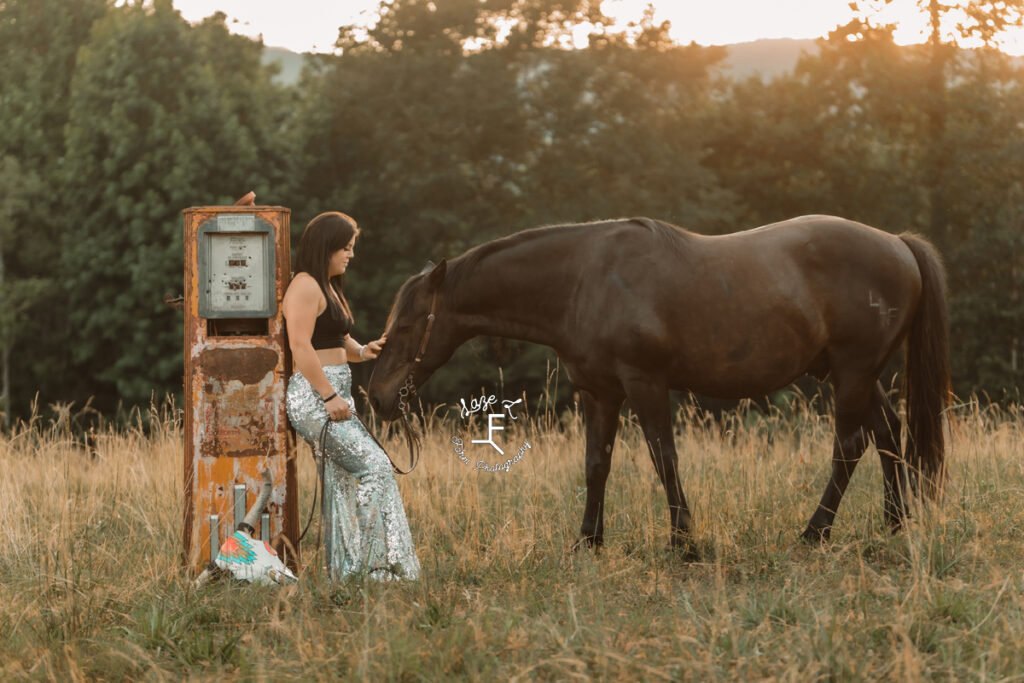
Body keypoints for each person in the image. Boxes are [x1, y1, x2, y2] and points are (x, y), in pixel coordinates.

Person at [283, 211, 420, 581]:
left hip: (334, 392)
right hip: (315, 397)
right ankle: (376, 567)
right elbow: (300, 345)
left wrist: (363, 351)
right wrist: (328, 396)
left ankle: (344, 573)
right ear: (325, 247)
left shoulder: (327, 286)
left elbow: (336, 337)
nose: (351, 255)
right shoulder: (305, 286)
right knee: (375, 467)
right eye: (345, 248)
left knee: (340, 482)